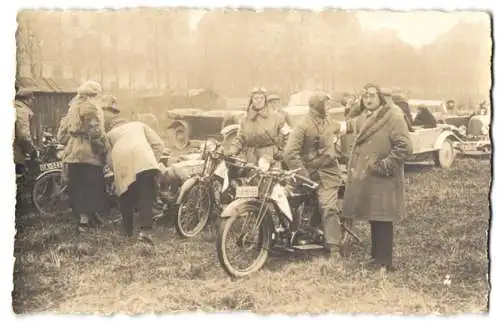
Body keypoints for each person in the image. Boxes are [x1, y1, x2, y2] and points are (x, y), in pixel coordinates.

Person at [340, 83, 413, 272]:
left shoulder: (394, 116)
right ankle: (376, 257)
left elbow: (405, 146)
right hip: (370, 175)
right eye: (364, 96)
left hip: (384, 176)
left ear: (380, 97)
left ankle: (385, 261)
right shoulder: (365, 116)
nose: (368, 100)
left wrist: (385, 165)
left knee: (383, 218)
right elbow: (350, 125)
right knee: (374, 216)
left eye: (372, 95)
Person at [283, 92, 345, 258]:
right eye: (326, 104)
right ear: (317, 106)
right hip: (309, 173)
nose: (329, 107)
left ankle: (334, 247)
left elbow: (339, 129)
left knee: (328, 206)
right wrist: (304, 176)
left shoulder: (328, 120)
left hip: (329, 172)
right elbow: (289, 154)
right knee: (287, 201)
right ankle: (294, 232)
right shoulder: (303, 126)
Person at [104, 110, 165, 245]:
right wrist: (152, 160)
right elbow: (159, 145)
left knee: (125, 195)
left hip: (122, 160)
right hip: (144, 158)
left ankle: (127, 230)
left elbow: (108, 159)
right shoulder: (139, 125)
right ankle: (145, 232)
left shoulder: (109, 135)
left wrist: (117, 172)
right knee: (146, 195)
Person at [60, 80, 108, 233]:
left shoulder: (72, 107)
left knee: (77, 186)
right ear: (94, 95)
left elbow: (62, 133)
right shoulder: (91, 108)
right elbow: (95, 132)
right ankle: (84, 222)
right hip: (88, 153)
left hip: (73, 152)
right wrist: (104, 147)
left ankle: (86, 218)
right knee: (91, 186)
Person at [227, 88, 291, 165]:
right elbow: (240, 137)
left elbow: (288, 135)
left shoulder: (277, 117)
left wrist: (282, 152)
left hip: (270, 158)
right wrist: (232, 150)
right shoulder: (245, 119)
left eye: (261, 98)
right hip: (250, 158)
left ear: (265, 100)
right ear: (252, 100)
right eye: (256, 98)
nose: (259, 100)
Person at [13, 88, 36, 176]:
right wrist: (31, 149)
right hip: (15, 152)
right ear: (27, 99)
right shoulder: (22, 111)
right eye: (31, 100)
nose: (32, 102)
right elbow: (23, 135)